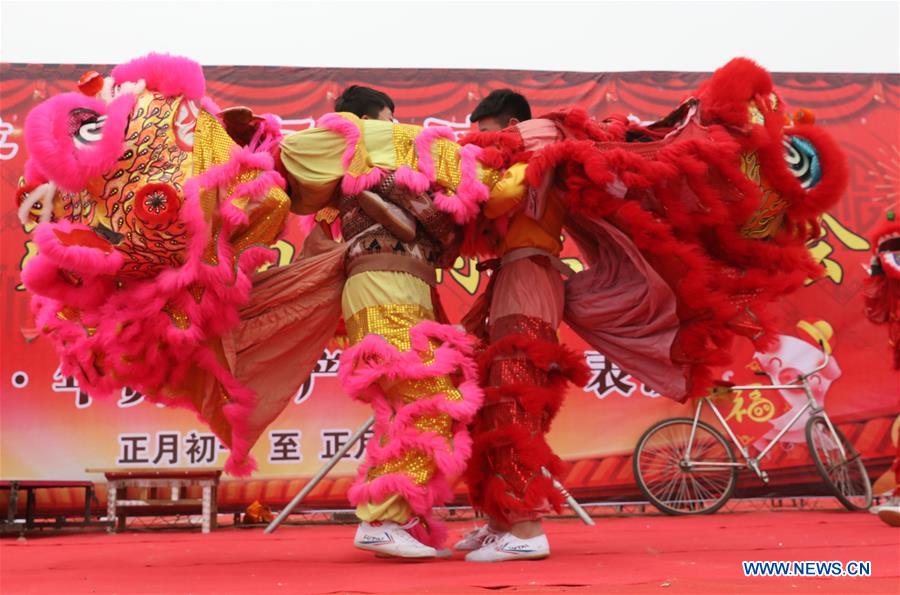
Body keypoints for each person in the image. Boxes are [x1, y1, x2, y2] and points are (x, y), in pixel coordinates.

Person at [287, 86, 483, 558]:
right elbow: (293, 151)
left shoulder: (406, 171)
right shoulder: (358, 157)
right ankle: (381, 519)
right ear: (365, 124)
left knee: (418, 405)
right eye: (388, 121)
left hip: (407, 289)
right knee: (431, 401)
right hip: (383, 287)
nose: (395, 130)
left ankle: (400, 514)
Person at [457, 90, 583, 562]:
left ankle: (528, 530)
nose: (482, 140)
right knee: (493, 406)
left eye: (487, 130)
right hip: (515, 276)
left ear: (512, 123)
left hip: (530, 278)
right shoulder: (521, 156)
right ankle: (501, 521)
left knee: (514, 404)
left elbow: (496, 200)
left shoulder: (540, 147)